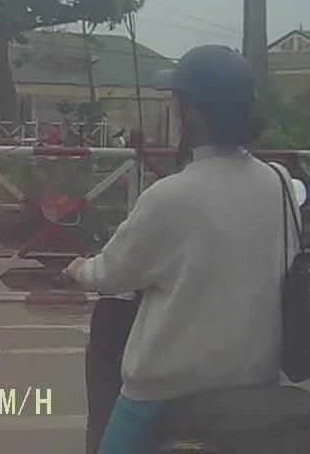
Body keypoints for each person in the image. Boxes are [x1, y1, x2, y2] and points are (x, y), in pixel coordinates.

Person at [66, 45, 296, 454]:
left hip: (161, 391)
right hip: (254, 384)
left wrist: (79, 269)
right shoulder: (279, 184)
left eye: (176, 102)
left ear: (194, 116)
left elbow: (112, 274)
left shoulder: (169, 196)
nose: (173, 111)